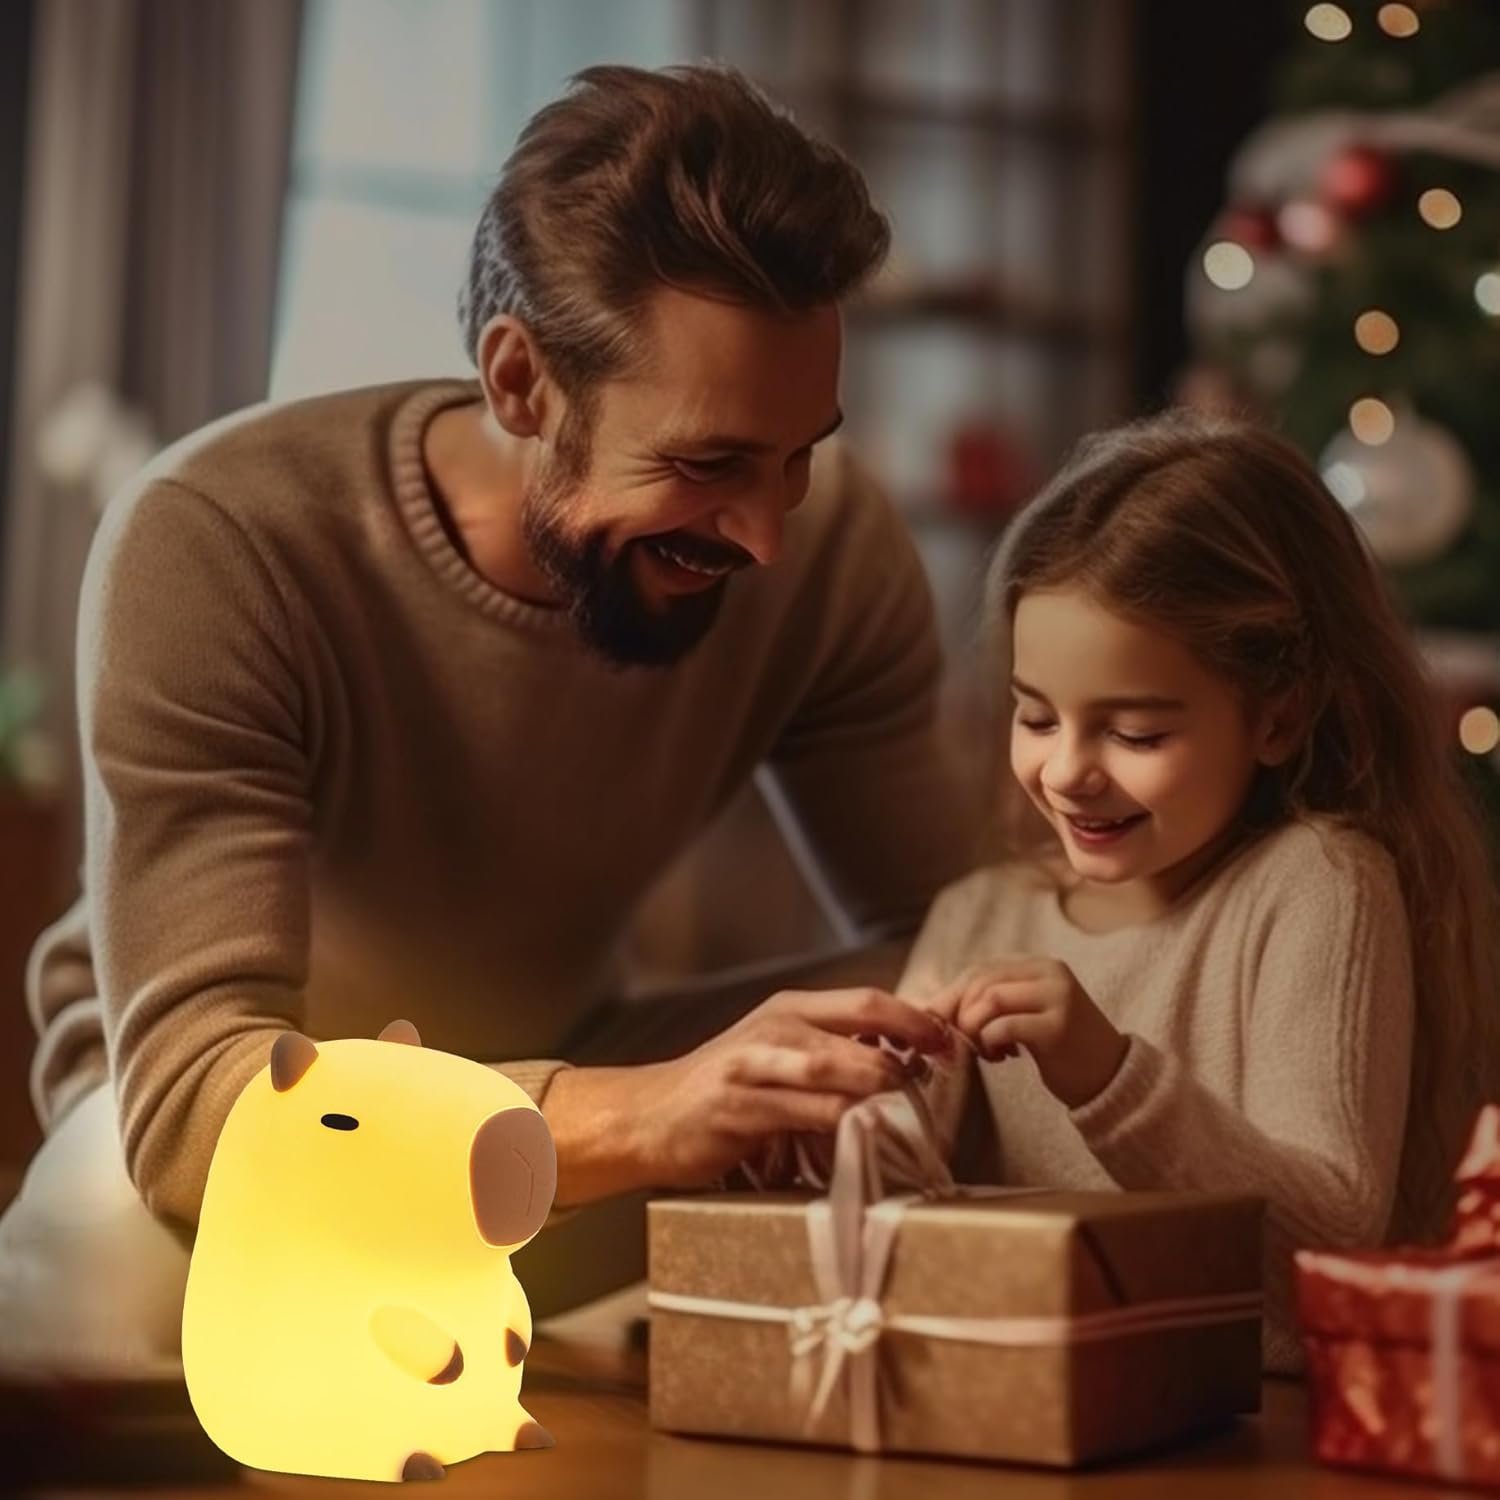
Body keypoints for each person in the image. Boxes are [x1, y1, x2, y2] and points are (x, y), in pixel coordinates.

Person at [0, 63, 970, 1373]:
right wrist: (645, 1116)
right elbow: (191, 1114)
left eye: (799, 455)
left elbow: (958, 936)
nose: (766, 535)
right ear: (520, 383)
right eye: (707, 465)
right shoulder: (220, 542)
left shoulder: (834, 549)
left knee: (950, 1010)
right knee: (125, 1295)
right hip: (210, 1167)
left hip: (556, 1102)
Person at [894, 408, 1500, 1373]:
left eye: (1135, 734)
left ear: (1278, 719)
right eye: (1036, 718)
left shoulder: (1318, 887)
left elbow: (1331, 1246)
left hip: (1251, 1420)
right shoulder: (979, 914)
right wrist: (829, 1124)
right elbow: (894, 1179)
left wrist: (1106, 1076)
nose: (1067, 772)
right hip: (1019, 1400)